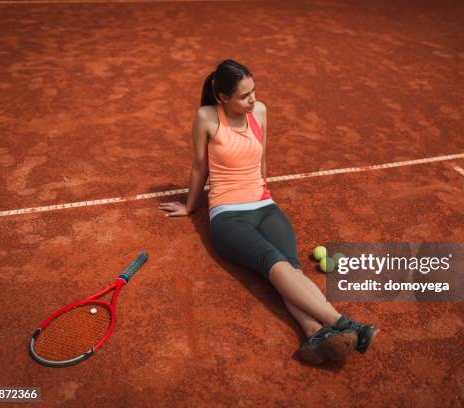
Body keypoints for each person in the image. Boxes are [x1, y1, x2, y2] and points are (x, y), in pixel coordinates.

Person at [158, 59, 378, 364]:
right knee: (272, 262)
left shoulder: (259, 111)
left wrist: (265, 192)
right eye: (244, 95)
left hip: (265, 207)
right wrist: (190, 206)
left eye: (254, 91)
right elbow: (199, 166)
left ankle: (315, 334)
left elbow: (262, 160)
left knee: (291, 269)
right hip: (229, 216)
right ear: (223, 97)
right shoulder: (206, 117)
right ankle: (344, 323)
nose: (252, 100)